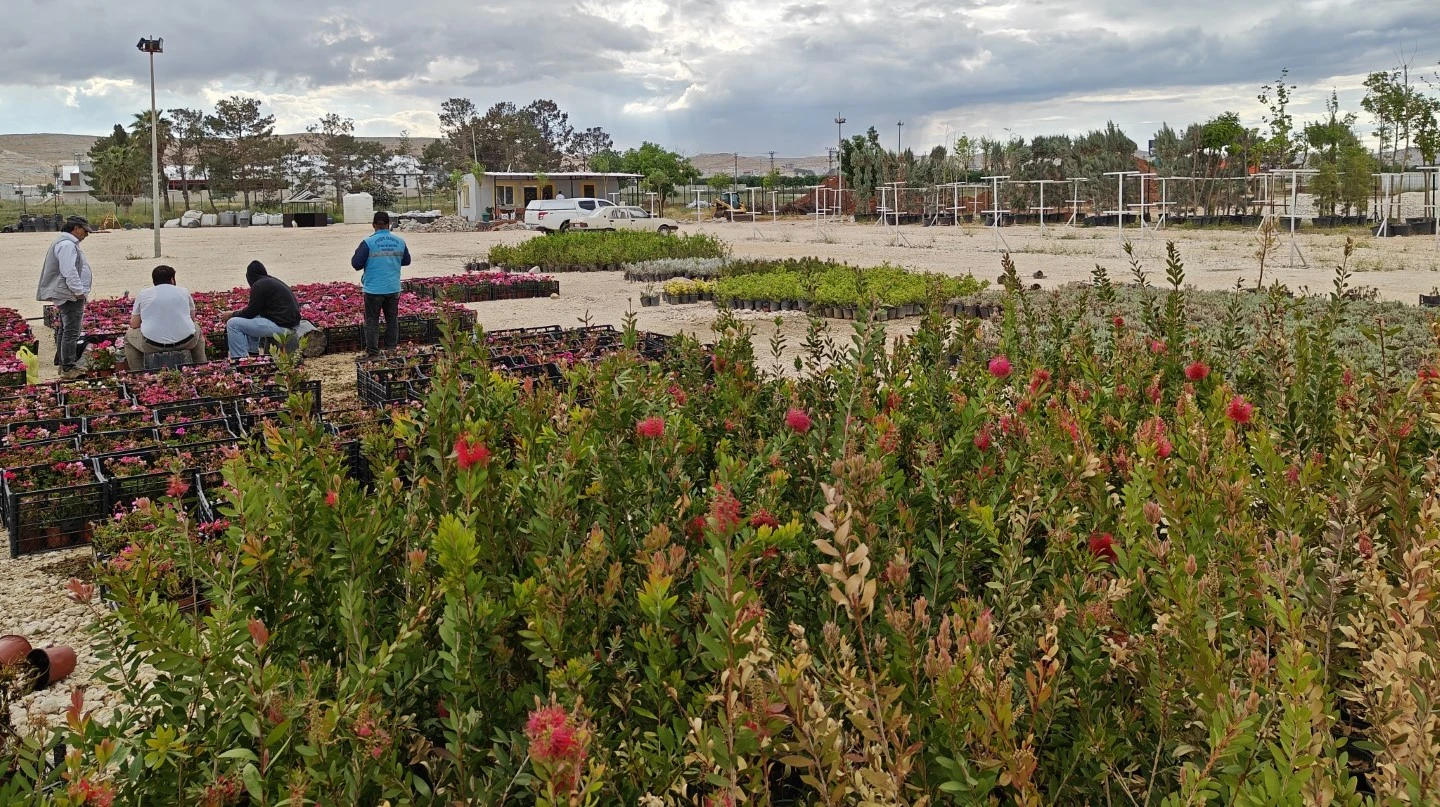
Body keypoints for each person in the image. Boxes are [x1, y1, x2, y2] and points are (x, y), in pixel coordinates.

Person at [35, 216, 95, 379]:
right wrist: (78, 292)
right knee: (71, 331)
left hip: (67, 293)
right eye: (84, 230)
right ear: (75, 228)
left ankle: (64, 365)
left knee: (64, 329)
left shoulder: (66, 243)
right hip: (70, 294)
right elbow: (69, 271)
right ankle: (68, 367)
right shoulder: (67, 245)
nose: (86, 234)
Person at [351, 211, 411, 357]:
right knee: (392, 319)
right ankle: (391, 349)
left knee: (372, 321)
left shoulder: (368, 243)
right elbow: (407, 261)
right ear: (389, 224)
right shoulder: (400, 242)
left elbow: (356, 264)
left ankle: (373, 352)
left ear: (373, 225)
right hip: (393, 288)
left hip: (373, 290)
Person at [124, 265, 207, 371]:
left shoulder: (144, 294)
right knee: (196, 328)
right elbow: (192, 319)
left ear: (154, 280)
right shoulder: (184, 292)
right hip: (186, 342)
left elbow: (134, 324)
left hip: (152, 344)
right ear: (172, 279)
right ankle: (202, 368)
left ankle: (139, 373)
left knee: (128, 337)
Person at [225, 261, 301, 359]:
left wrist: (232, 314)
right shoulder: (271, 281)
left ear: (249, 276)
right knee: (250, 318)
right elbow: (254, 312)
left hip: (283, 327)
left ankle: (240, 359)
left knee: (233, 324)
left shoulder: (259, 285)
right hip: (290, 324)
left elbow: (250, 313)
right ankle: (253, 353)